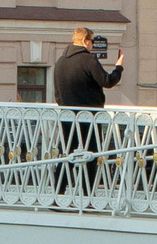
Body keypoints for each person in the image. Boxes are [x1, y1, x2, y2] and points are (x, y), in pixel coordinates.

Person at [51, 25, 125, 193]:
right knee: (91, 155)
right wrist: (119, 67)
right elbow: (107, 81)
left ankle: (58, 193)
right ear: (85, 41)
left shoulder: (61, 61)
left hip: (67, 115)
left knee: (67, 154)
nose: (92, 45)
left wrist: (65, 107)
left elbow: (57, 92)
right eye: (92, 41)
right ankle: (87, 194)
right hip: (89, 116)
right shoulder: (88, 60)